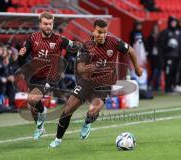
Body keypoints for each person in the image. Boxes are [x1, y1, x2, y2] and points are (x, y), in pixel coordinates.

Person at [49, 19, 143, 148]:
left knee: (93, 110)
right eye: (99, 32)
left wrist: (137, 68)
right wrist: (87, 68)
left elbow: (131, 50)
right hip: (86, 82)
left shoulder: (114, 42)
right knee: (68, 108)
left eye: (104, 33)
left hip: (104, 84)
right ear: (93, 31)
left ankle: (87, 123)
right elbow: (80, 68)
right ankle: (57, 140)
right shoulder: (86, 46)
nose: (102, 35)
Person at [18, 12, 79, 140]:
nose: (48, 26)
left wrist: (81, 48)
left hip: (50, 76)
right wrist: (21, 54)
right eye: (45, 24)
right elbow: (22, 57)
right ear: (40, 24)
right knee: (32, 106)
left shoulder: (59, 40)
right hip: (35, 75)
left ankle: (43, 111)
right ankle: (40, 128)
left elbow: (74, 47)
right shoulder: (32, 38)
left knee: (32, 100)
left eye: (50, 24)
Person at [159, 16, 181, 93]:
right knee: (168, 72)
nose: (173, 23)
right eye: (172, 22)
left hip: (176, 56)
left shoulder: (178, 32)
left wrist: (180, 53)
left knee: (175, 72)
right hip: (168, 56)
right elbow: (161, 44)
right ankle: (167, 88)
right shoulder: (166, 32)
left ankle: (173, 87)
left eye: (175, 22)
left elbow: (180, 44)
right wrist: (168, 47)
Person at [146, 23, 163, 91]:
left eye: (156, 29)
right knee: (154, 71)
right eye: (154, 29)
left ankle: (157, 85)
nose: (155, 30)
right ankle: (149, 84)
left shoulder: (160, 37)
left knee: (159, 72)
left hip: (160, 57)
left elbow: (162, 45)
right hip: (153, 57)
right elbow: (148, 46)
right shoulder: (150, 37)